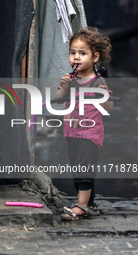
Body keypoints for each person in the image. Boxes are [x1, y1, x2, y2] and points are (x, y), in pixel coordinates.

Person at [55, 27, 113, 220]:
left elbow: (109, 106)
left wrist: (103, 96)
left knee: (83, 168)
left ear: (95, 57)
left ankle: (81, 206)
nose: (76, 58)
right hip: (71, 133)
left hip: (90, 133)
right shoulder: (70, 79)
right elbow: (58, 99)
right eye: (73, 53)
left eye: (82, 53)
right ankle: (91, 204)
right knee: (77, 168)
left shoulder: (97, 82)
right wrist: (63, 88)